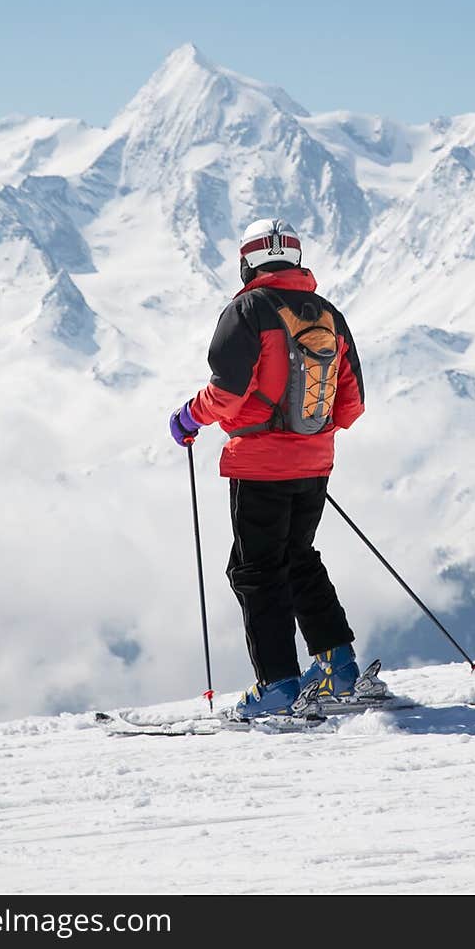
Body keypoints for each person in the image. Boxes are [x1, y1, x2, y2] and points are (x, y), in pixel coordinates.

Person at [169, 216, 367, 718]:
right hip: (316, 463)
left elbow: (228, 392)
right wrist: (305, 440)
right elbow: (350, 406)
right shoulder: (327, 314)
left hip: (258, 464)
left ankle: (278, 687)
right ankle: (338, 668)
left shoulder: (249, 309)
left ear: (246, 263)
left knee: (254, 571)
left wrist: (189, 416)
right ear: (296, 260)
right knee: (299, 557)